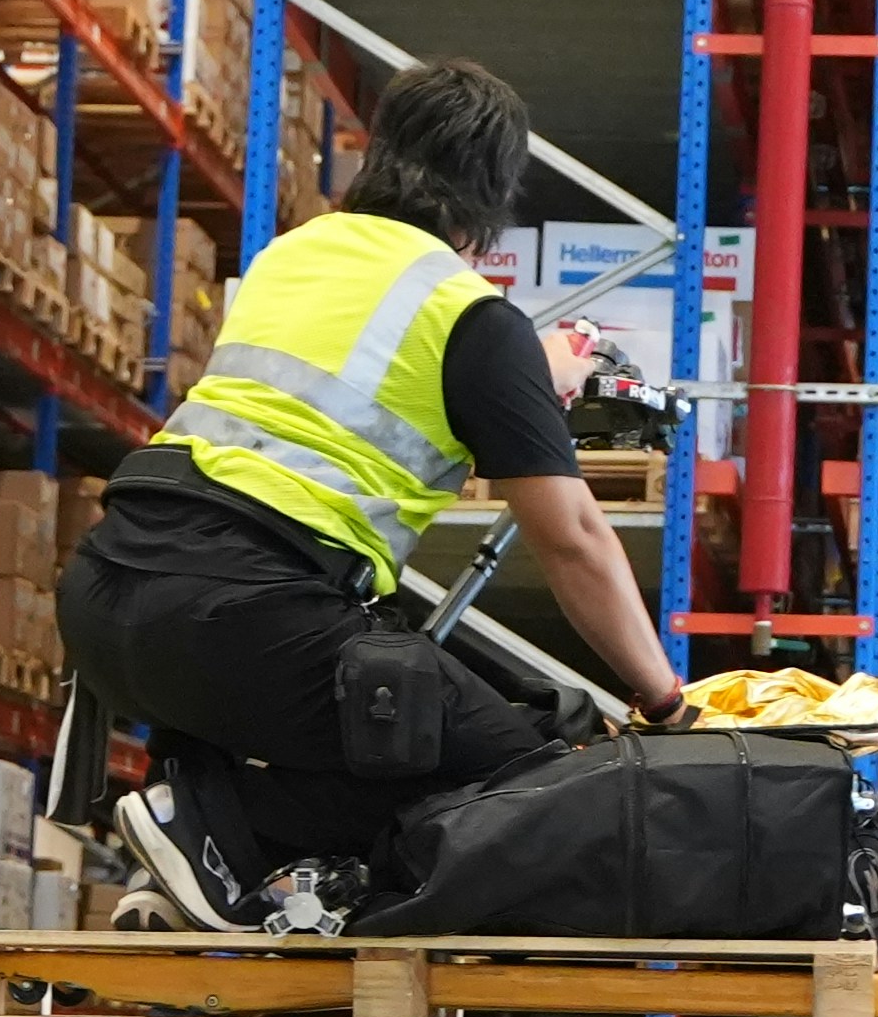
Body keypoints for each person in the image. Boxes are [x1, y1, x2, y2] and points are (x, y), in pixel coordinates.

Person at [63, 56, 687, 929]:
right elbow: (572, 537)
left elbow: (348, 392)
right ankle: (228, 829)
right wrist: (665, 699)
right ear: (495, 194)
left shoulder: (293, 255)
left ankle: (204, 857)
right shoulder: (472, 316)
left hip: (106, 604)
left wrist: (525, 375)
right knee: (532, 767)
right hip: (247, 619)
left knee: (394, 715)